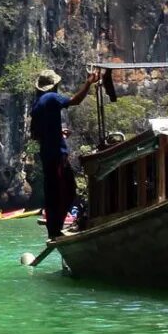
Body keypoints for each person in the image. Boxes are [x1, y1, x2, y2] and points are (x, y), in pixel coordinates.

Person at [29, 67, 101, 239]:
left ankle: (54, 229)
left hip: (47, 155)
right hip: (56, 155)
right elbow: (75, 101)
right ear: (54, 85)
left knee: (54, 190)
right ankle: (56, 230)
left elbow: (34, 134)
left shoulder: (37, 104)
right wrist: (88, 83)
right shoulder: (52, 97)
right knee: (67, 191)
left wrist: (58, 133)